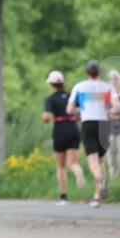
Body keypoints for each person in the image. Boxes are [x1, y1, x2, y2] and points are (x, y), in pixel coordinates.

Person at [67, 60, 120, 206]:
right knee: (101, 159)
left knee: (92, 159)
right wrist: (109, 111)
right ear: (100, 72)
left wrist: (80, 110)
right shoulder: (107, 87)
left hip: (89, 123)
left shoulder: (79, 87)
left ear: (86, 73)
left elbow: (69, 109)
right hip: (103, 123)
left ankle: (99, 179)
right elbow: (117, 106)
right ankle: (97, 195)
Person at [42, 70, 86, 206]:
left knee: (61, 166)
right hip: (73, 128)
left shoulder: (50, 99)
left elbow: (47, 117)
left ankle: (63, 197)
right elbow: (80, 112)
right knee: (72, 162)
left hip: (60, 130)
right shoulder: (71, 96)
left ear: (51, 84)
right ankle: (78, 170)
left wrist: (45, 118)